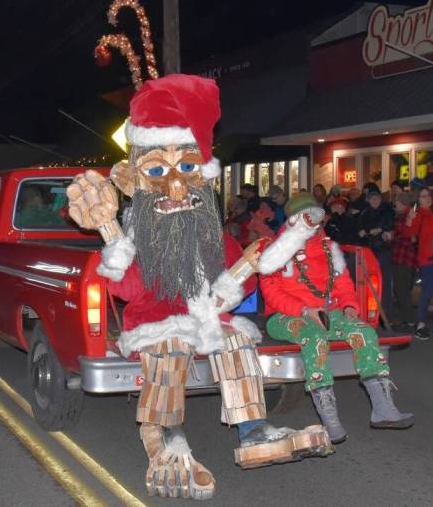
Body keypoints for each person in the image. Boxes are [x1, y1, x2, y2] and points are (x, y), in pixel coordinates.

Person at [67, 71, 330, 499]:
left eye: (188, 167)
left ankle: (254, 432)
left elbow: (231, 277)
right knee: (169, 346)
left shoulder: (214, 235)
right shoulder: (137, 235)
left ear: (204, 176)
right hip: (156, 321)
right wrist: (111, 234)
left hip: (207, 316)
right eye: (159, 169)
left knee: (237, 342)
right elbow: (127, 290)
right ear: (138, 177)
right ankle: (168, 440)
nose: (175, 185)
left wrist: (238, 278)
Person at [260, 193, 414, 444]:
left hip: (326, 312)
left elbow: (342, 284)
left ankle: (383, 409)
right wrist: (304, 310)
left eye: (315, 219)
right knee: (314, 336)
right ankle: (329, 418)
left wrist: (350, 306)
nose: (312, 224)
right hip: (284, 316)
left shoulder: (328, 248)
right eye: (306, 218)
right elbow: (271, 292)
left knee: (364, 332)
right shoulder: (276, 251)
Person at [406, 187, 433, 339]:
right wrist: (409, 220)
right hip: (427, 258)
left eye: (428, 196)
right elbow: (409, 232)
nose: (427, 198)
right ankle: (421, 324)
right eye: (423, 196)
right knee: (427, 292)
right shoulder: (419, 215)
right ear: (418, 199)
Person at [356, 188, 395, 321]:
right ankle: (370, 312)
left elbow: (391, 227)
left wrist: (381, 230)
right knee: (369, 283)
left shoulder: (387, 211)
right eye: (372, 198)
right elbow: (359, 230)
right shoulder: (365, 213)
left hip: (382, 250)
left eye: (376, 198)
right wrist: (363, 232)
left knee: (383, 282)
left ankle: (385, 313)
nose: (374, 200)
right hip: (369, 251)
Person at [389, 192, 418, 332]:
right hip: (401, 257)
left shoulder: (407, 216)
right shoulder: (401, 216)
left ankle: (410, 320)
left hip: (405, 257)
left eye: (398, 201)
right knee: (401, 290)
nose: (396, 203)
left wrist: (393, 236)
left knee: (402, 290)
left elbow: (408, 236)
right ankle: (407, 319)